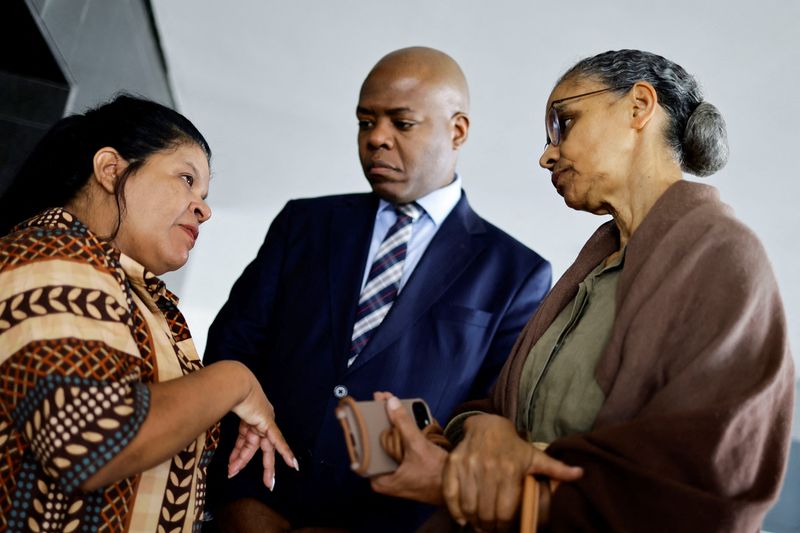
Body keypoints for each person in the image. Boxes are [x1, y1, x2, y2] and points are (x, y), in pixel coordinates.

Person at [372, 49, 795, 532]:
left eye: (563, 122)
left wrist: (467, 479)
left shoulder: (724, 256)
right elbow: (499, 414)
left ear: (638, 106)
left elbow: (702, 483)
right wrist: (473, 435)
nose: (546, 153)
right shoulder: (594, 269)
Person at [202, 46, 552, 531]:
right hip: (255, 497)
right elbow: (233, 342)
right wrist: (238, 489)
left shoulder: (517, 272)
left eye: (401, 123)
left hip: (392, 520)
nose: (376, 139)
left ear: (458, 130)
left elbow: (491, 411)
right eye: (366, 122)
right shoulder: (304, 223)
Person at [0, 95, 297, 532]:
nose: (205, 208)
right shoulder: (57, 252)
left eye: (204, 193)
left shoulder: (127, 286)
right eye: (186, 178)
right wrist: (235, 380)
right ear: (110, 169)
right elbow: (90, 441)